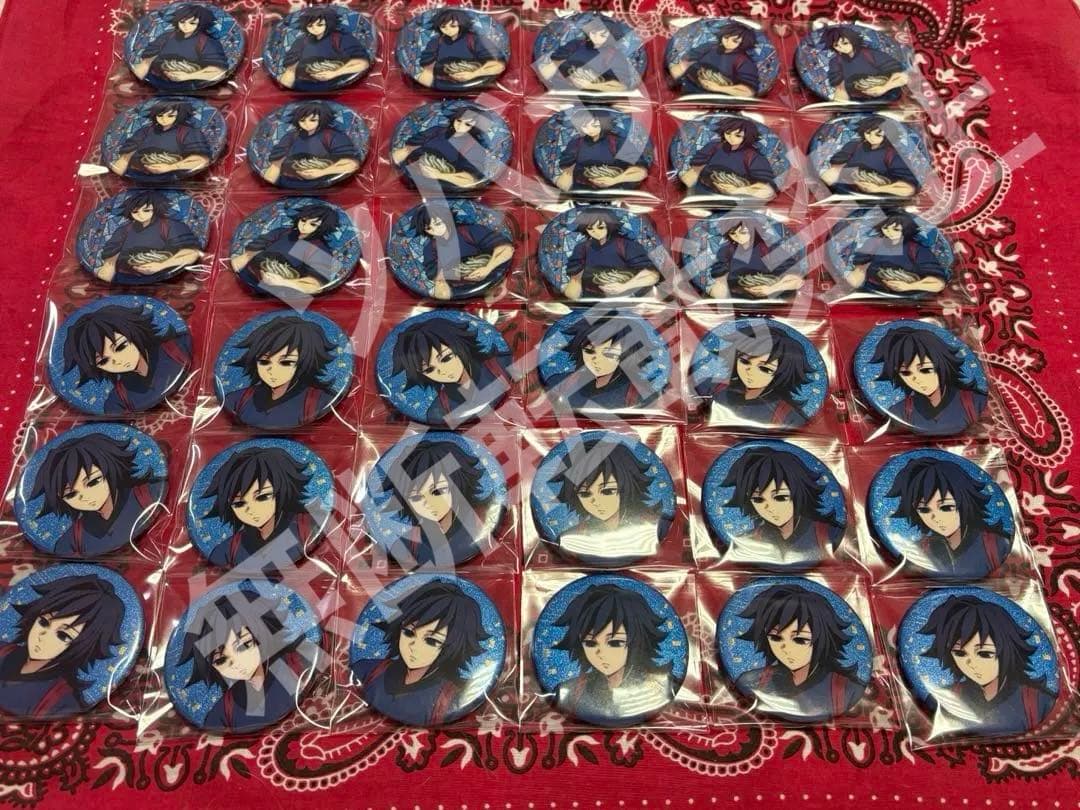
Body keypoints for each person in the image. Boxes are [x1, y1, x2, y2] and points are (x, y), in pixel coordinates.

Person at [351, 580, 490, 726]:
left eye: (431, 641)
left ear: (453, 646)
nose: (414, 646)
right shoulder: (367, 670)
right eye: (409, 632)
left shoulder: (457, 695)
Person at [179, 589, 317, 733]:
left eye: (243, 646)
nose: (237, 663)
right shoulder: (224, 710)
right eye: (221, 660)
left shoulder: (299, 660)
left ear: (260, 632)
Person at [918, 595, 1056, 735]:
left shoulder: (1037, 701)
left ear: (1008, 649)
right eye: (960, 653)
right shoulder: (942, 698)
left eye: (984, 654)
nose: (971, 664)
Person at [734, 583, 866, 721]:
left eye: (800, 640)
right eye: (775, 638)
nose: (786, 648)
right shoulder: (752, 681)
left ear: (823, 638)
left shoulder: (847, 690)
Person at [0, 575, 124, 718]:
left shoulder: (60, 700)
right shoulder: (4, 651)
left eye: (63, 635)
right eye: (44, 622)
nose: (42, 635)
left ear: (85, 645)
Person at [552, 583, 676, 724]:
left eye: (615, 643)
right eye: (590, 643)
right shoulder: (569, 691)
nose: (601, 653)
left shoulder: (662, 686)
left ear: (637, 641)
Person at [29, 431, 161, 556]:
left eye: (93, 482)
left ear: (110, 469)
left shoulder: (150, 493)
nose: (85, 497)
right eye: (71, 494)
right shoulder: (73, 539)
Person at [375, 439, 494, 567]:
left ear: (458, 485)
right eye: (416, 497)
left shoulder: (482, 522)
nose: (428, 503)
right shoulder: (406, 544)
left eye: (437, 491)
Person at [885, 456, 1011, 577]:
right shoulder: (920, 549)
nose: (935, 518)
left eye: (946, 507)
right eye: (924, 510)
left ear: (965, 500)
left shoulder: (995, 544)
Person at [549, 435, 668, 561]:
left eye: (607, 491)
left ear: (626, 487)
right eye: (585, 494)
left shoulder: (654, 525)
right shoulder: (571, 538)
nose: (596, 501)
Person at [718, 447, 843, 567]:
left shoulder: (828, 533)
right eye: (758, 499)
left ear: (800, 492)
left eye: (780, 497)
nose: (769, 507)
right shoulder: (747, 541)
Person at [198, 446, 318, 569]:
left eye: (262, 497)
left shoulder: (308, 526)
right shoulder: (229, 549)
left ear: (282, 491)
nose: (251, 510)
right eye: (239, 504)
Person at [62, 302, 191, 414]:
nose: (117, 360)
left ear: (134, 333)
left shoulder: (178, 347)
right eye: (104, 361)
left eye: (120, 347)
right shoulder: (117, 400)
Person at [223, 315, 339, 429]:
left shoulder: (320, 401)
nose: (272, 370)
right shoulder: (237, 399)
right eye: (264, 361)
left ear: (304, 362)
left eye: (285, 362)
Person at [391, 316, 510, 426]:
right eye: (429, 369)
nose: (442, 371)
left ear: (459, 345)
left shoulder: (502, 364)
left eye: (446, 358)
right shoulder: (438, 409)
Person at [693, 321, 814, 428]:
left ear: (783, 373)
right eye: (744, 362)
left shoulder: (787, 415)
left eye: (765, 369)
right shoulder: (712, 386)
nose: (749, 371)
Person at [870, 325, 987, 434]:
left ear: (943, 363)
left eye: (925, 370)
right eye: (906, 373)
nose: (916, 379)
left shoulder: (975, 401)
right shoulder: (899, 411)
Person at [231, 202, 345, 296]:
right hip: (247, 276)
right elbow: (251, 252)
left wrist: (283, 282)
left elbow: (316, 285)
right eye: (303, 220)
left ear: (323, 227)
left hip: (279, 292)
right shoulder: (282, 232)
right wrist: (238, 264)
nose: (304, 226)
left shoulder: (319, 249)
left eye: (313, 224)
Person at [548, 315, 654, 410]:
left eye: (609, 354)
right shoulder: (559, 383)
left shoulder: (640, 394)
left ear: (629, 355)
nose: (596, 360)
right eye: (589, 351)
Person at [94, 191, 202, 285]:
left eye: (146, 210)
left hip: (166, 278)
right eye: (135, 211)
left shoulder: (171, 226)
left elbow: (192, 253)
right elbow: (110, 261)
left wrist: (161, 265)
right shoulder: (123, 230)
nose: (140, 215)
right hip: (124, 280)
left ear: (156, 208)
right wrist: (104, 280)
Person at [407, 204, 513, 300]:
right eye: (429, 228)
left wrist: (488, 268)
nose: (435, 230)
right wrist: (444, 292)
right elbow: (438, 278)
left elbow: (507, 249)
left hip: (493, 278)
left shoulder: (470, 231)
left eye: (438, 223)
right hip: (458, 291)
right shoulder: (430, 249)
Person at [392, 106, 498, 191]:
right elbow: (408, 149)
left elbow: (471, 180)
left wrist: (439, 175)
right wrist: (392, 164)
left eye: (467, 124)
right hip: (409, 170)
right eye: (458, 120)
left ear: (475, 128)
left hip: (437, 184)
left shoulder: (475, 148)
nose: (460, 126)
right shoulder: (437, 131)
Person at [108, 100, 213, 184]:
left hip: (176, 178)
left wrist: (171, 167)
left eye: (170, 116)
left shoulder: (189, 133)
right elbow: (126, 156)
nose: (164, 119)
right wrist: (119, 171)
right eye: (160, 115)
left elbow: (202, 160)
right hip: (137, 176)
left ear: (180, 115)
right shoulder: (145, 131)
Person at [563, 209, 660, 299]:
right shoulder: (582, 248)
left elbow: (653, 276)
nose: (595, 232)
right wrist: (572, 300)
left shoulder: (627, 246)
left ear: (610, 225)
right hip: (592, 301)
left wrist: (625, 286)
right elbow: (575, 280)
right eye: (590, 228)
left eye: (600, 227)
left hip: (628, 300)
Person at [130, 3, 229, 91]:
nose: (186, 26)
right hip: (155, 82)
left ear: (201, 23)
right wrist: (138, 80)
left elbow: (219, 71)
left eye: (192, 23)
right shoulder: (166, 37)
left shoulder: (208, 43)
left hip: (192, 87)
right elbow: (146, 61)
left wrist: (188, 76)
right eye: (182, 22)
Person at [262, 101, 361, 189]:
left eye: (313, 120)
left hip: (322, 183)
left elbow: (352, 164)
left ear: (321, 119)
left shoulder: (334, 136)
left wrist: (322, 172)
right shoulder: (290, 137)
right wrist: (270, 185)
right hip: (286, 183)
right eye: (302, 120)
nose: (307, 124)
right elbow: (276, 165)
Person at [696, 219, 803, 299]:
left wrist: (771, 289)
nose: (738, 236)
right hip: (735, 301)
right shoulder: (726, 251)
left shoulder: (770, 249)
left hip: (771, 300)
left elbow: (798, 280)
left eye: (742, 232)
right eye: (733, 233)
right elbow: (718, 278)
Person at [847, 212, 948, 296]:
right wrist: (856, 278)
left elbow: (939, 284)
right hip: (872, 292)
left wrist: (910, 286)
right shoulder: (873, 243)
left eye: (896, 229)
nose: (889, 232)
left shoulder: (917, 249)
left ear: (906, 229)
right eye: (885, 228)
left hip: (910, 296)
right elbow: (858, 268)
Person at [818, 115, 918, 196]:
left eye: (878, 135)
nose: (871, 137)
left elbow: (909, 189)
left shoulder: (893, 155)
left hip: (877, 197)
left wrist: (879, 189)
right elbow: (835, 168)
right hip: (843, 189)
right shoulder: (854, 145)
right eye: (868, 133)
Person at [678, 117, 777, 199]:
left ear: (747, 136)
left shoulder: (753, 157)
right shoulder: (713, 147)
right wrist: (685, 188)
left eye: (738, 135)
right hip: (703, 190)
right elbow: (696, 169)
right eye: (728, 133)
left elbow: (767, 189)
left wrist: (739, 190)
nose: (731, 138)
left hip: (736, 198)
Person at [538, 14, 638, 92]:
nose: (595, 38)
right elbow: (548, 69)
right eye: (593, 33)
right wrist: (558, 66)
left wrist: (591, 85)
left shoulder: (615, 56)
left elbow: (622, 87)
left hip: (594, 101)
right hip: (560, 93)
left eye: (602, 35)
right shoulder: (576, 44)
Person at [278, 7, 371, 91]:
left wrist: (335, 73)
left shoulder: (342, 38)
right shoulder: (301, 41)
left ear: (329, 23)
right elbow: (291, 69)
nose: (315, 29)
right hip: (301, 87)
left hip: (338, 86)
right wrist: (286, 86)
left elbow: (363, 63)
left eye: (320, 24)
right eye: (310, 26)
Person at [553, 109, 648, 192]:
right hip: (581, 188)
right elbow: (566, 165)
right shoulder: (577, 143)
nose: (590, 130)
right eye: (584, 126)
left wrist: (615, 180)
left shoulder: (617, 142)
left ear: (603, 123)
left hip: (614, 188)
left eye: (595, 125)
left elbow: (641, 172)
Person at [415, 9, 506, 90]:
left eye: (453, 26)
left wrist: (474, 74)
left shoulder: (475, 40)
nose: (448, 30)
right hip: (440, 86)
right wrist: (427, 86)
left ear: (461, 24)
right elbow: (427, 69)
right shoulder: (436, 41)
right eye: (443, 27)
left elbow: (499, 65)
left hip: (475, 86)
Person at [668, 20, 760, 97]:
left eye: (735, 41)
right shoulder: (710, 47)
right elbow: (684, 63)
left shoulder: (744, 61)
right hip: (689, 88)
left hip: (719, 98)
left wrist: (718, 88)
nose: (727, 42)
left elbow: (749, 92)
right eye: (726, 37)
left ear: (743, 43)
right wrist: (669, 80)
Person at [821, 25, 908, 103]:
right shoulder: (836, 62)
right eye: (836, 45)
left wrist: (884, 88)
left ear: (852, 40)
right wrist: (840, 108)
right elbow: (841, 89)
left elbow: (902, 77)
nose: (842, 48)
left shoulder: (872, 54)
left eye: (845, 43)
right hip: (858, 104)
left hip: (889, 99)